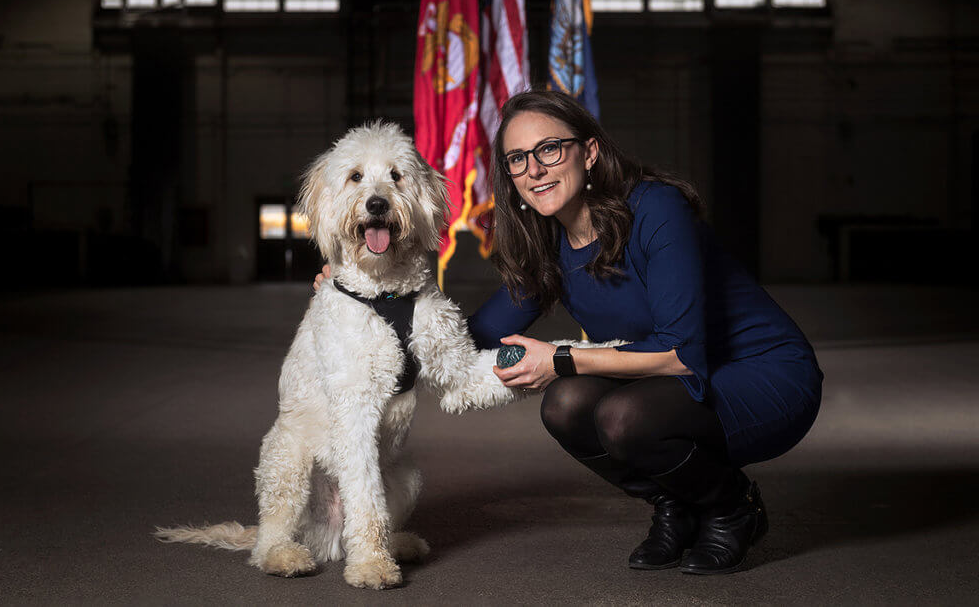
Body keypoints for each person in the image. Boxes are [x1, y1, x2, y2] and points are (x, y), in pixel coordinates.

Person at [316, 90, 823, 575]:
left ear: (590, 152)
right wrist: (358, 295)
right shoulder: (550, 243)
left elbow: (681, 355)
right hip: (669, 385)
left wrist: (559, 358)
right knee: (565, 405)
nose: (533, 168)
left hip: (764, 376)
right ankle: (676, 503)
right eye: (517, 159)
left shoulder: (656, 209)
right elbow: (467, 341)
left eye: (549, 149)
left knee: (622, 416)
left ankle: (733, 508)